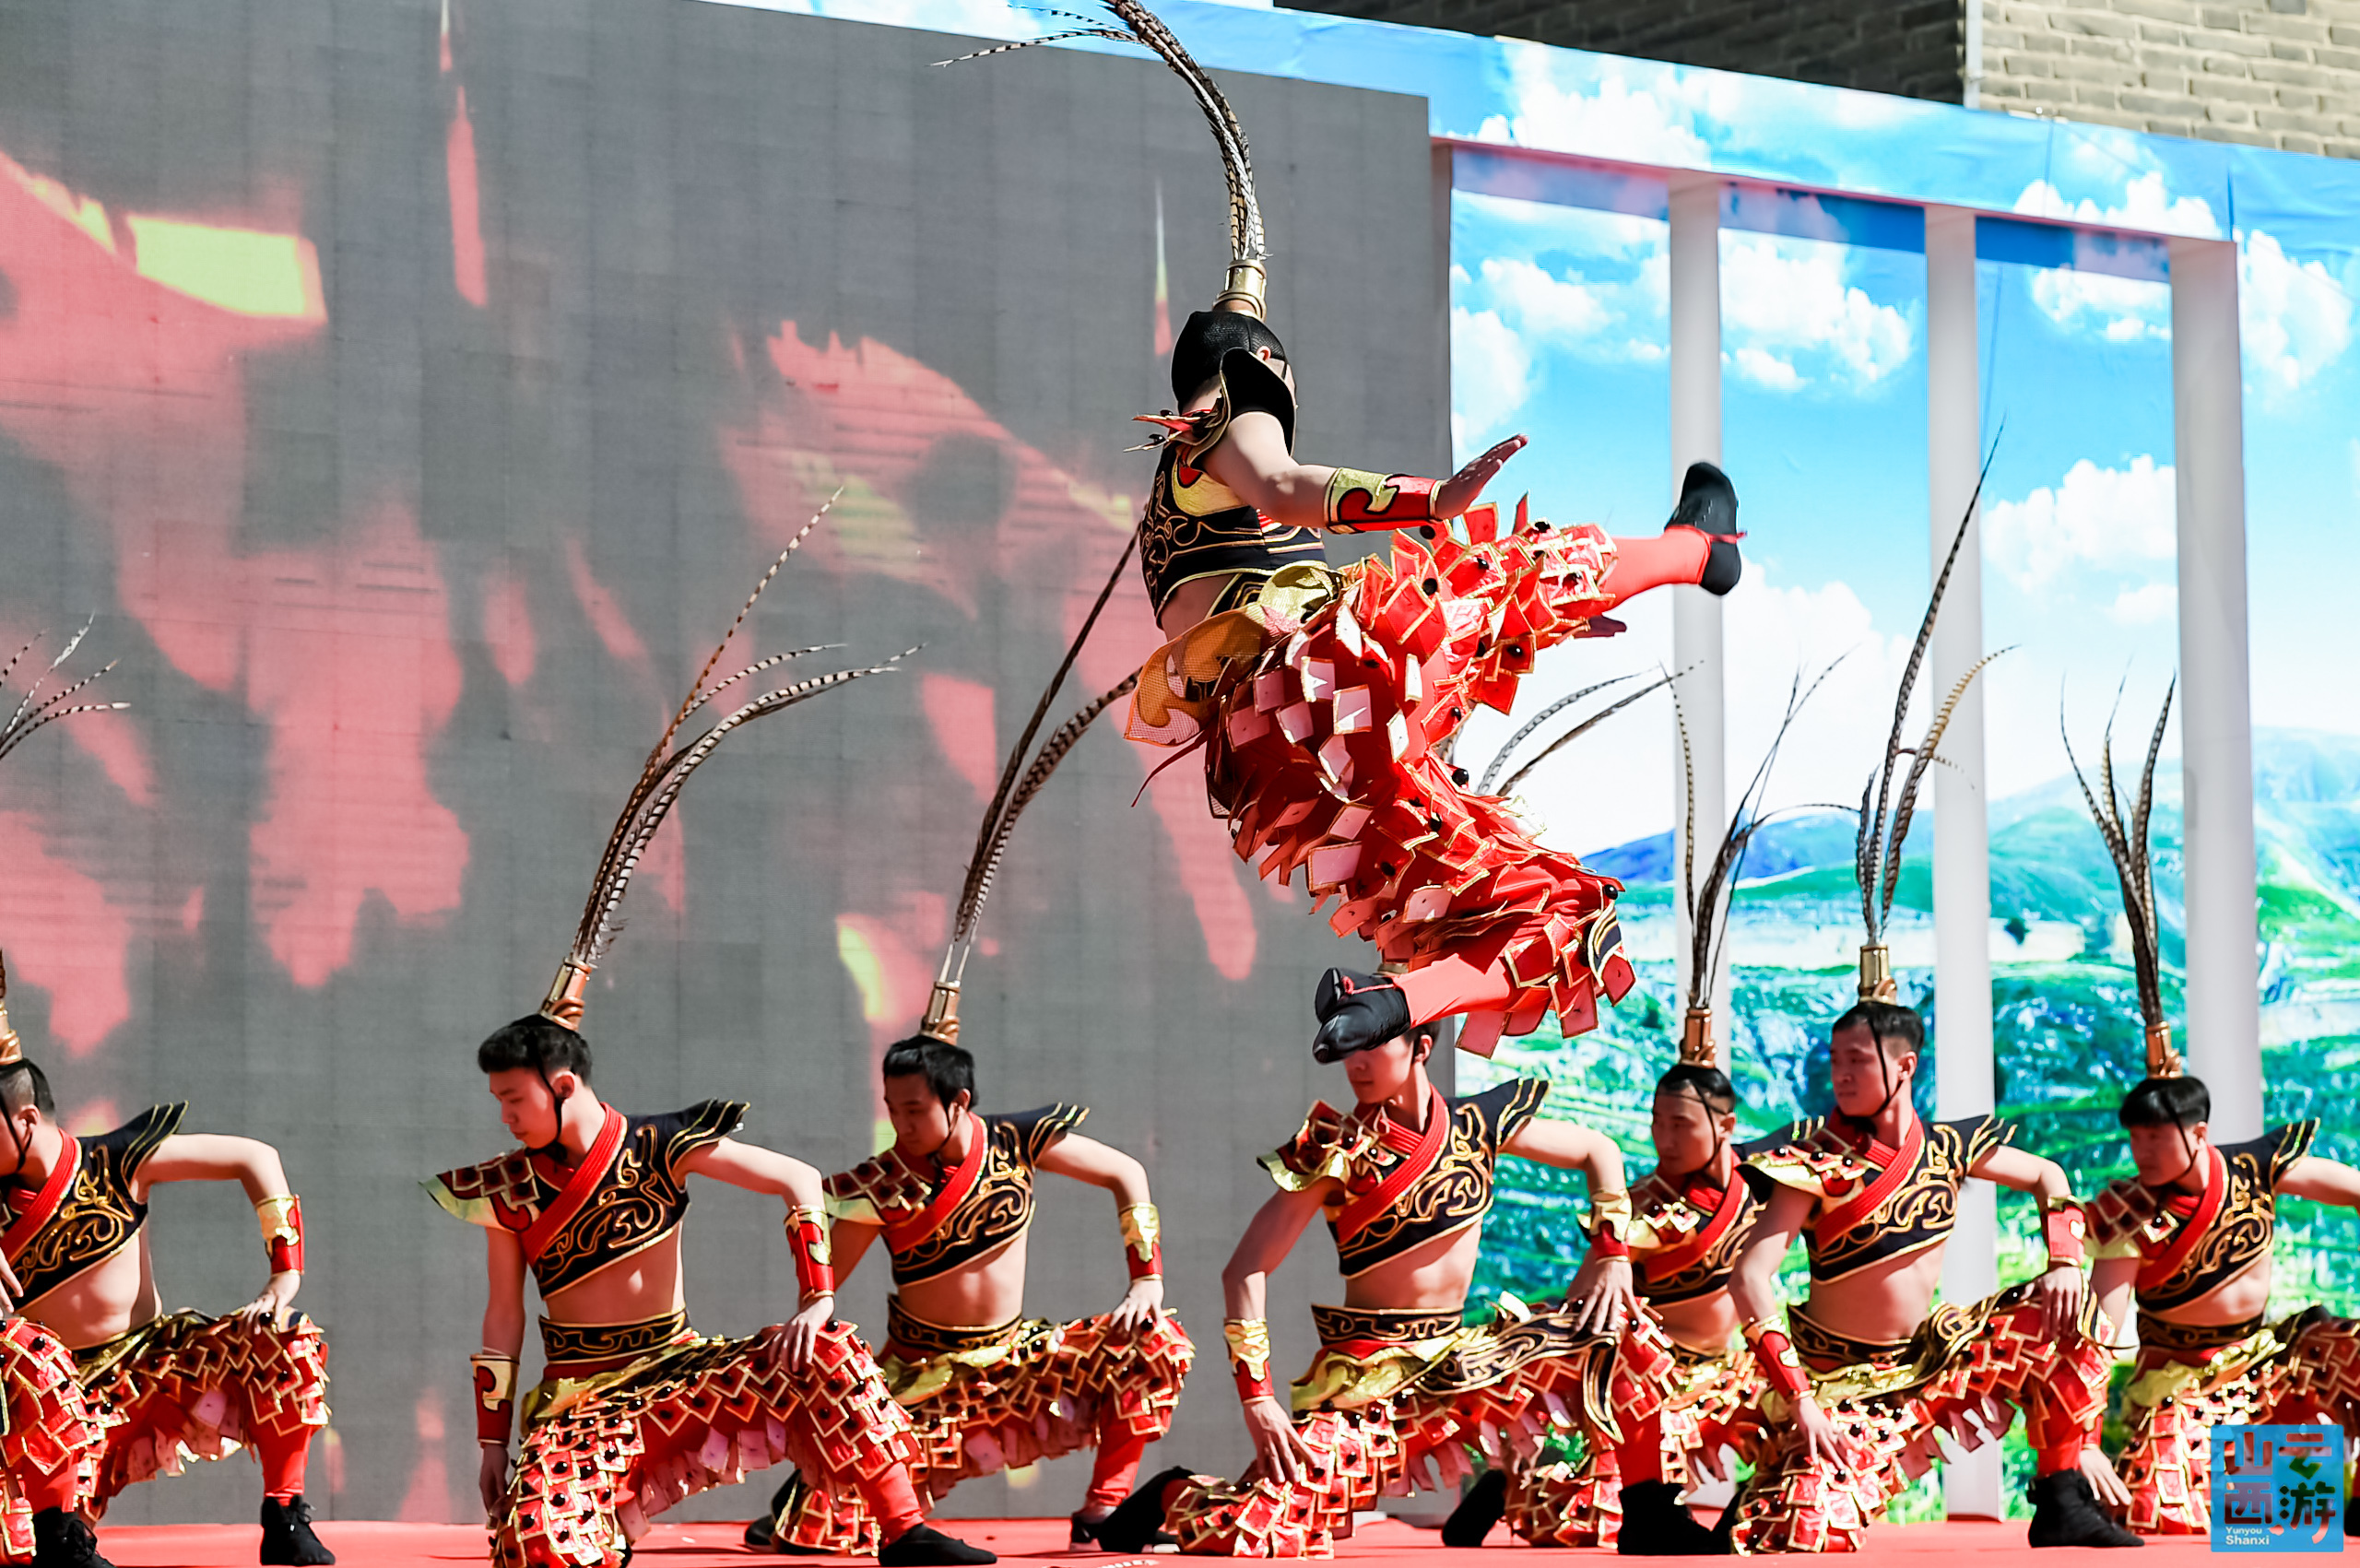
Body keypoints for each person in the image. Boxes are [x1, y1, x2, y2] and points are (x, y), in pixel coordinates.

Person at [968, 0, 1741, 1060]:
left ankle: (1393, 1007)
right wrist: (1434, 498)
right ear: (1257, 369)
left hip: (1278, 768)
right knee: (1507, 568)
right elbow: (1285, 484)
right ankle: (1699, 552)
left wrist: (1493, 637)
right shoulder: (1226, 416)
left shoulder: (1169, 507)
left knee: (1547, 913)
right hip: (1317, 679)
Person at [425, 529, 989, 1568]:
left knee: (832, 1357)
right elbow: (502, 1320)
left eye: (514, 1098)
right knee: (539, 1546)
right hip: (582, 1402)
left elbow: (797, 1184)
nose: (503, 1116)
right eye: (498, 1102)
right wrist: (493, 1444)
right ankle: (594, 1520)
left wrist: (816, 1299)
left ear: (562, 1083)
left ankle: (906, 1529)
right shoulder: (508, 1188)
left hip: (682, 1374)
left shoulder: (661, 1146)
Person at [1092, 1019, 1664, 1557]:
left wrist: (1613, 1255)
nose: (1356, 1064)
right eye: (1350, 1050)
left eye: (1373, 1046)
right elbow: (1243, 1270)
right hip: (1372, 1383)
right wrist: (1258, 1400)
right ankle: (1170, 1492)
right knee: (1260, 1532)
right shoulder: (1333, 1149)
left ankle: (1647, 1513)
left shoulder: (1476, 1125)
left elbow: (1600, 1150)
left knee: (1625, 1331)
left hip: (1465, 1363)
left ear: (1422, 1048)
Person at [2069, 684, 2360, 1537]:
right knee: (2167, 1511)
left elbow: (2348, 1188)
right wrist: (2080, 1433)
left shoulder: (2258, 1166)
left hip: (2270, 1354)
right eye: (2135, 1137)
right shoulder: (2125, 1208)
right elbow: (2105, 1322)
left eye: (2157, 1137)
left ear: (2198, 1131)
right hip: (2177, 1379)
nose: (2143, 1151)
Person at [1724, 1000, 2138, 1552]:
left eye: (1857, 1061)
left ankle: (2062, 1495)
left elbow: (2048, 1174)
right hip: (1837, 1383)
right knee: (1803, 1531)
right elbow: (1749, 1278)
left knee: (2065, 1307)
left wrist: (2064, 1261)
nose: (1841, 1075)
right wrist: (1800, 1400)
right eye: (1836, 1060)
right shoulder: (1814, 1162)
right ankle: (1774, 1480)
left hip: (1928, 1362)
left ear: (1905, 1067)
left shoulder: (1945, 1148)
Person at [750, 1035, 1192, 1551]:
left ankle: (1104, 1512)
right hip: (923, 1384)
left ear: (959, 1101)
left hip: (1019, 1364)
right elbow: (824, 1282)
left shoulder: (1015, 1142)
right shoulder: (883, 1183)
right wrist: (813, 1305)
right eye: (893, 1109)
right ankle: (805, 1492)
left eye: (915, 1110)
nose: (902, 1125)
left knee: (1154, 1341)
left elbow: (1126, 1172)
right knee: (819, 1534)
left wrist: (1146, 1278)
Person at [0, 1011, 332, 1564]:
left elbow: (256, 1157)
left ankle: (285, 1513)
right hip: (52, 1408)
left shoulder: (116, 1161)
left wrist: (285, 1273)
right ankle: (61, 1536)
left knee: (286, 1336)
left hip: (156, 1371)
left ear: (26, 1119)